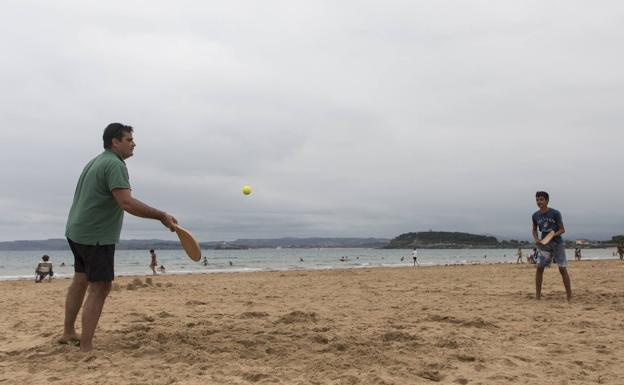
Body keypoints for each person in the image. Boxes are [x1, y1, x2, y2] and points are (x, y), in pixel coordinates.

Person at [60, 123, 177, 352]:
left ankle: (67, 332)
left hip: (76, 231)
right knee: (100, 287)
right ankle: (86, 347)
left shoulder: (95, 161)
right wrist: (161, 216)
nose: (133, 143)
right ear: (115, 142)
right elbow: (126, 202)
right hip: (96, 236)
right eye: (128, 139)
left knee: (81, 280)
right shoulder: (114, 164)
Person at [532, 191, 572, 302]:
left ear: (547, 200)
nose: (539, 202)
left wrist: (552, 235)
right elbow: (534, 230)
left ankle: (569, 296)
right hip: (544, 244)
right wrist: (537, 240)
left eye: (541, 199)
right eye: (537, 200)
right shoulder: (535, 215)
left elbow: (562, 229)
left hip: (557, 243)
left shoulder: (555, 213)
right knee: (539, 268)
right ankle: (538, 296)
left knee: (562, 269)